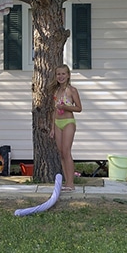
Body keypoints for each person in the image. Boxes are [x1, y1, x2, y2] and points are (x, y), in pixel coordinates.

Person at [49, 64, 82, 192]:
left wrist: (65, 107)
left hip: (68, 122)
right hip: (57, 123)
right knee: (61, 153)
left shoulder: (72, 90)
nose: (61, 76)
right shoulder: (56, 91)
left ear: (68, 75)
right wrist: (52, 127)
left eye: (63, 74)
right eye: (58, 74)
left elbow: (79, 108)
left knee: (67, 151)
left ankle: (71, 183)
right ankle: (66, 181)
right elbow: (54, 110)